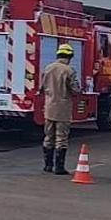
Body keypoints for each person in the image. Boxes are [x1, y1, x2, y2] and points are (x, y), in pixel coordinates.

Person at [40, 43, 82, 175]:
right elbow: (75, 90)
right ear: (70, 56)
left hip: (49, 106)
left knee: (48, 136)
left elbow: (41, 88)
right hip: (63, 108)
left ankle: (48, 165)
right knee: (61, 138)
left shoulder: (48, 68)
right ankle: (59, 167)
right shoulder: (69, 71)